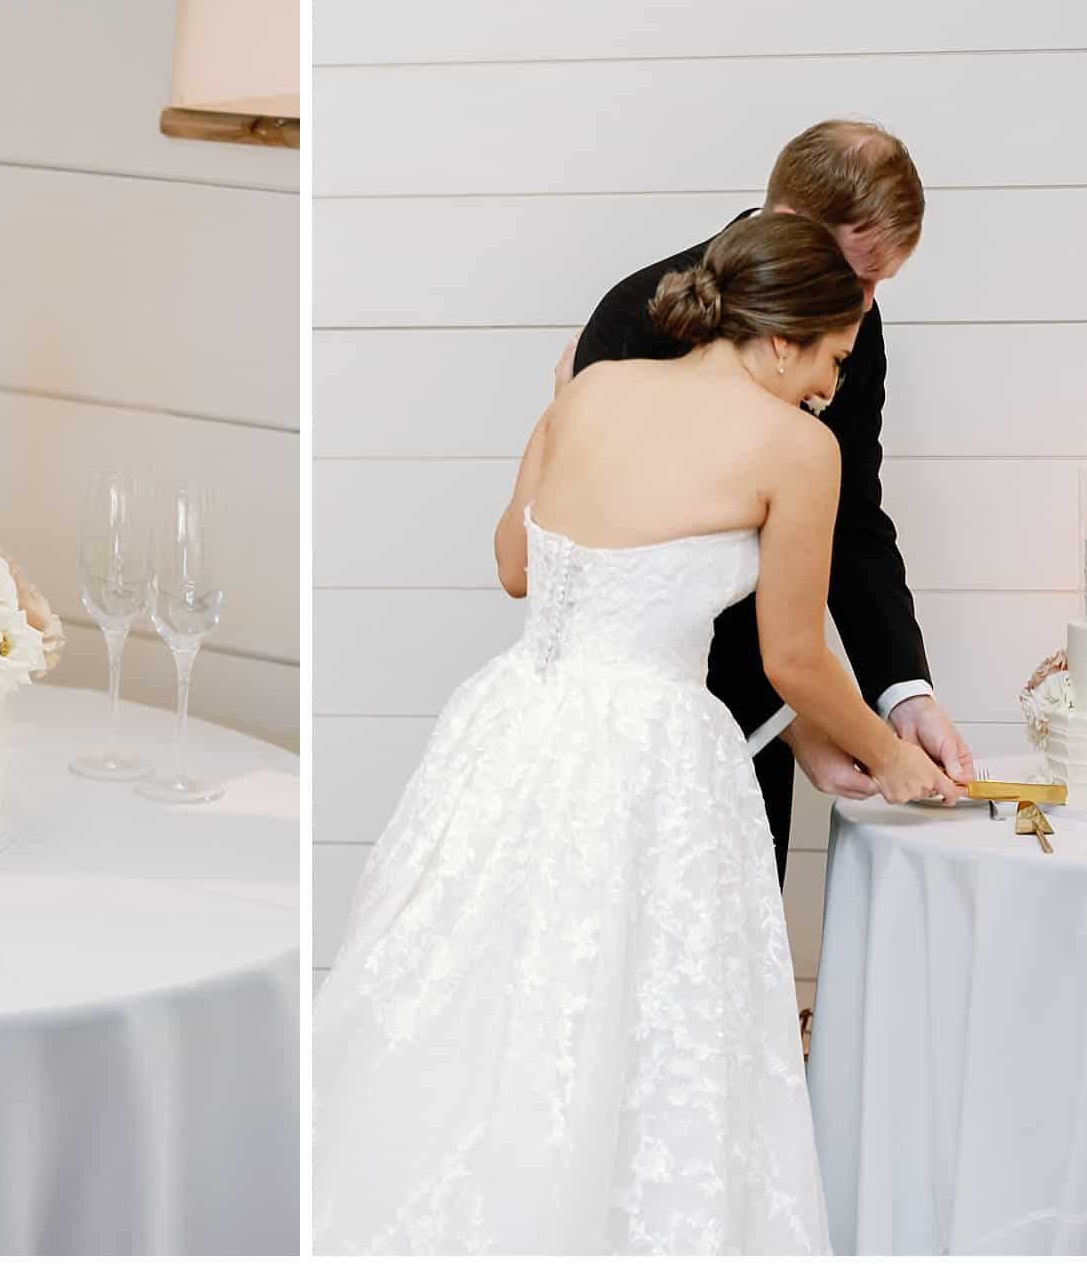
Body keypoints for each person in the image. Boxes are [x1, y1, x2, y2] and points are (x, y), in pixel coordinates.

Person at [313, 213, 964, 1254]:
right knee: (643, 1036)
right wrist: (897, 761)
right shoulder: (797, 447)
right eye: (835, 359)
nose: (831, 389)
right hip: (650, 759)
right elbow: (793, 655)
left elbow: (516, 567)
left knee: (488, 1008)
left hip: (513, 721)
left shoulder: (595, 389)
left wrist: (552, 411)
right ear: (787, 332)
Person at [567, 119, 974, 885]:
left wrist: (902, 692)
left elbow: (851, 516)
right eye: (859, 276)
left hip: (760, 737)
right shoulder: (632, 320)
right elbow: (605, 577)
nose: (864, 306)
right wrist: (797, 720)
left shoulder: (859, 323)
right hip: (631, 736)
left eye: (881, 284)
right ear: (792, 227)